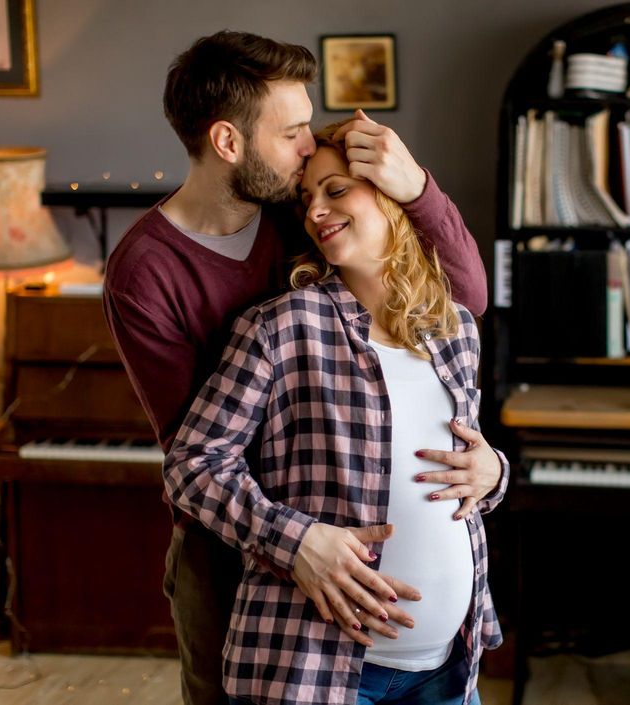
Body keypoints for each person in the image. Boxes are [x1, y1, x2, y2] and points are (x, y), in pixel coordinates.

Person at [103, 31, 489, 705]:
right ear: (229, 143)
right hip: (228, 544)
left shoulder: (296, 208)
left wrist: (414, 186)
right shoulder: (145, 271)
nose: (309, 149)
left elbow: (463, 301)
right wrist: (301, 540)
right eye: (294, 132)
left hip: (399, 602)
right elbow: (196, 453)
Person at [164, 125, 508, 705]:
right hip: (318, 671)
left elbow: (467, 465)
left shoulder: (456, 329)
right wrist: (294, 541)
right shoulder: (282, 326)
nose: (316, 212)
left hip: (451, 667)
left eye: (336, 190)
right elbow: (192, 465)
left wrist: (494, 472)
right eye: (306, 200)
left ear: (390, 195)